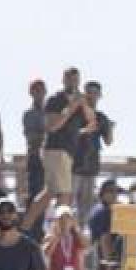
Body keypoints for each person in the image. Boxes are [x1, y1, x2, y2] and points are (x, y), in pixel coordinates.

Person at [23, 67, 97, 229]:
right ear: (63, 80)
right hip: (55, 149)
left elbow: (91, 125)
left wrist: (84, 106)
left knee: (49, 192)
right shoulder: (55, 100)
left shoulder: (79, 101)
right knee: (65, 194)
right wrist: (71, 107)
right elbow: (52, 126)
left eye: (76, 79)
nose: (73, 82)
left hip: (68, 152)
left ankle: (25, 227)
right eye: (69, 79)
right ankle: (60, 232)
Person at [72, 81, 113, 223]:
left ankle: (81, 238)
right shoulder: (75, 115)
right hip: (74, 166)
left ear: (100, 95)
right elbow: (68, 135)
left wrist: (110, 129)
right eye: (89, 92)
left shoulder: (101, 117)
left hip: (91, 167)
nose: (92, 96)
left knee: (86, 208)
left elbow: (108, 142)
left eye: (95, 93)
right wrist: (84, 131)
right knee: (70, 206)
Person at [43, 205, 89, 270]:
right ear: (56, 221)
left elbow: (86, 247)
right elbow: (46, 253)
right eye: (61, 219)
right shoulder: (50, 237)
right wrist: (57, 236)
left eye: (67, 218)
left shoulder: (76, 237)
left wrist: (77, 228)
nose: (64, 222)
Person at [88, 179, 123, 270]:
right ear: (103, 194)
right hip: (103, 257)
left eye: (116, 192)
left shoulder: (99, 209)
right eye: (111, 191)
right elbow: (104, 239)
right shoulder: (104, 212)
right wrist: (109, 265)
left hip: (99, 257)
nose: (115, 195)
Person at [23, 79, 48, 208]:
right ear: (31, 92)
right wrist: (48, 131)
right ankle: (33, 226)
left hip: (51, 157)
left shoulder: (52, 111)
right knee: (35, 194)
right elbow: (32, 137)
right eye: (36, 90)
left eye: (41, 90)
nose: (39, 93)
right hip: (36, 158)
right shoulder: (29, 114)